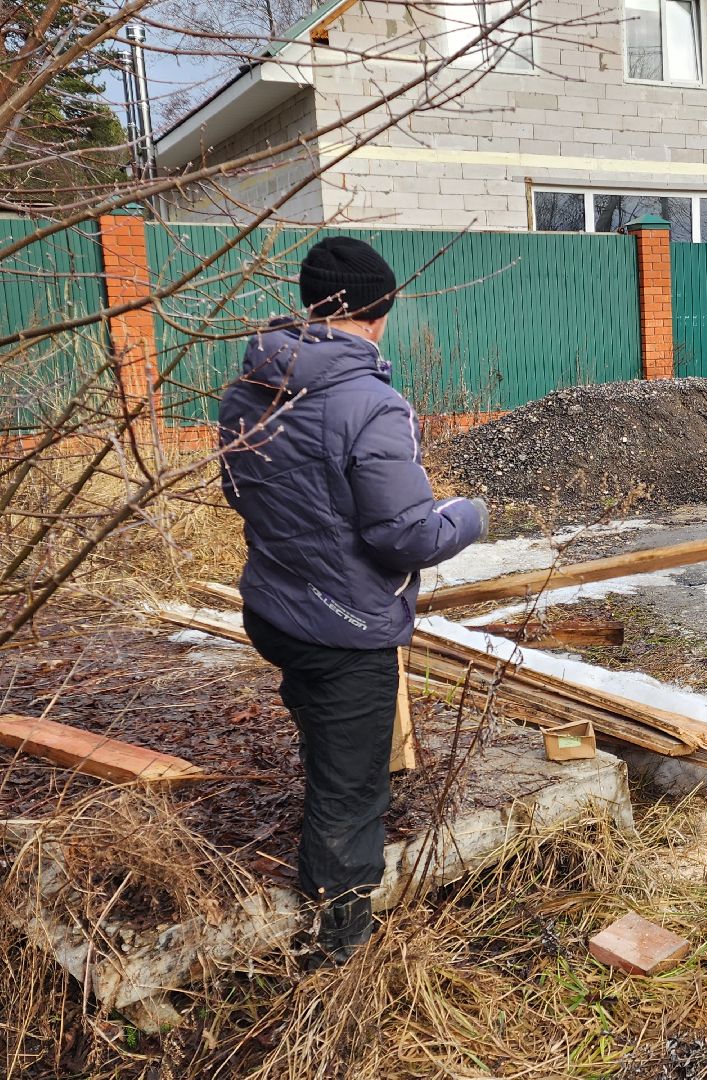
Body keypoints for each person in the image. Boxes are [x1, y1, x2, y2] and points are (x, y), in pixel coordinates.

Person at [218, 236, 487, 966]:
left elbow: (236, 490)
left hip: (275, 606)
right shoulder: (372, 403)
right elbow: (406, 535)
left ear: (313, 302)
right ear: (382, 308)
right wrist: (469, 514)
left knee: (331, 746)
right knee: (350, 794)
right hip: (344, 627)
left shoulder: (249, 387)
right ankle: (338, 956)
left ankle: (334, 844)